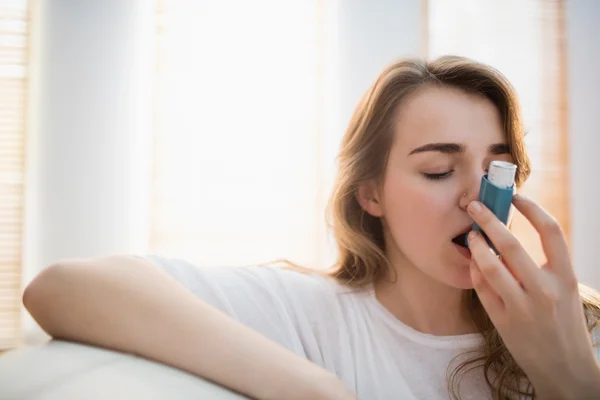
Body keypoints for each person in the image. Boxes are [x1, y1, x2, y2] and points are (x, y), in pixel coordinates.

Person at [24, 56, 600, 400]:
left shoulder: (578, 328)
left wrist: (570, 380)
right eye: (438, 170)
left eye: (498, 169)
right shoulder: (312, 316)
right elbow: (62, 287)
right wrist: (315, 390)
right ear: (370, 194)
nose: (480, 198)